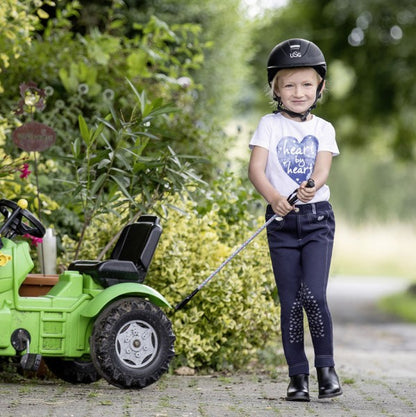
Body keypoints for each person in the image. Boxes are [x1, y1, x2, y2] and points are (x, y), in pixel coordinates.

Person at [248, 38, 342, 402]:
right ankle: (297, 377)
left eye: (306, 84)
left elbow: (322, 168)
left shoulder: (323, 129)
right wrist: (274, 198)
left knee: (314, 296)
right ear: (276, 88)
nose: (298, 92)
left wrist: (310, 187)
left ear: (319, 87)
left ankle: (326, 369)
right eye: (289, 84)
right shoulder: (268, 125)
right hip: (282, 224)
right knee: (290, 301)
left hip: (317, 220)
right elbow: (256, 169)